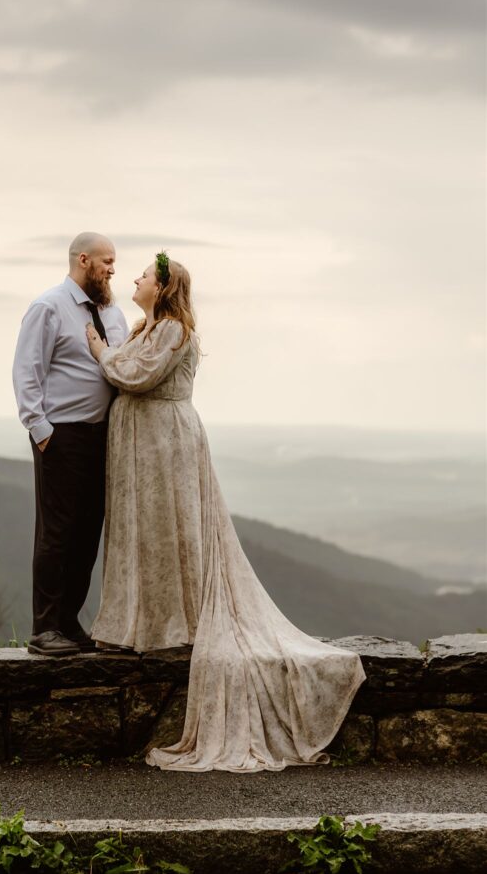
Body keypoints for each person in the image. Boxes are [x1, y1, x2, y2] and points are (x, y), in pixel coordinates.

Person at [86, 252, 366, 772]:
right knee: (142, 535)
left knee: (171, 533)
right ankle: (139, 622)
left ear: (165, 288)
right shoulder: (149, 327)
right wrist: (114, 354)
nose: (136, 279)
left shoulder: (171, 330)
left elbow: (137, 376)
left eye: (145, 275)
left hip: (164, 444)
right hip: (142, 445)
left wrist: (102, 352)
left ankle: (174, 620)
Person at [13, 232, 129, 656]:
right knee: (56, 532)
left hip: (103, 438)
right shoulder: (48, 306)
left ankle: (68, 622)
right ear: (84, 260)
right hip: (62, 436)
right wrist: (41, 430)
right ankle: (44, 628)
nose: (113, 269)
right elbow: (27, 370)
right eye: (107, 261)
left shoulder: (112, 313)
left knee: (87, 533)